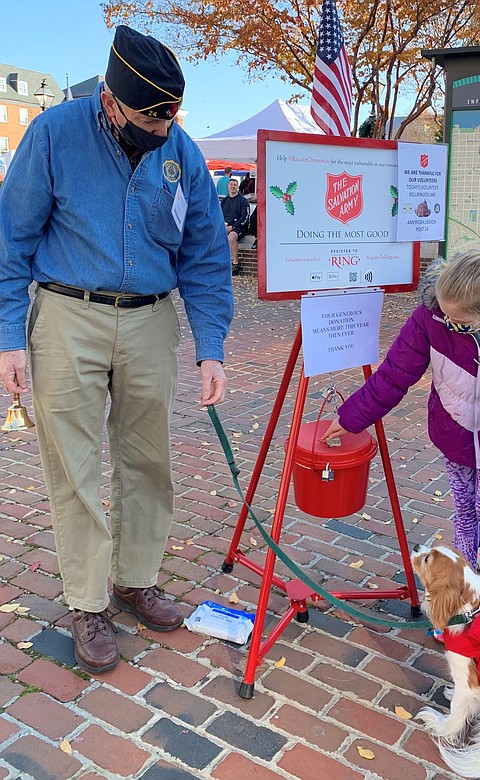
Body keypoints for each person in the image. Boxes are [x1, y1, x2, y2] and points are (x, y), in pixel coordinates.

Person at [0, 26, 234, 674]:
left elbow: (207, 257)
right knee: (73, 468)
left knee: (146, 460)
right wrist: (7, 338)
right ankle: (86, 603)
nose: (163, 131)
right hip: (67, 315)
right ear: (110, 102)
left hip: (150, 322)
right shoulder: (53, 135)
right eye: (149, 119)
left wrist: (210, 347)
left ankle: (135, 579)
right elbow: (10, 239)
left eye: (170, 118)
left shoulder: (179, 151)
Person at [323, 238, 480, 579]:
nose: (446, 319)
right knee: (463, 508)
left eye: (456, 320)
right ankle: (465, 579)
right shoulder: (429, 316)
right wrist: (351, 417)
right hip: (452, 432)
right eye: (443, 312)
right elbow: (395, 373)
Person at [221, 177, 250, 276]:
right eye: (231, 185)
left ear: (237, 187)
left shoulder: (243, 201)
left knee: (231, 238)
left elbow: (245, 217)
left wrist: (232, 227)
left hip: (239, 228)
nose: (233, 187)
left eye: (235, 185)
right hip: (225, 226)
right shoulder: (224, 201)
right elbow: (219, 216)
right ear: (228, 186)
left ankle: (235, 264)